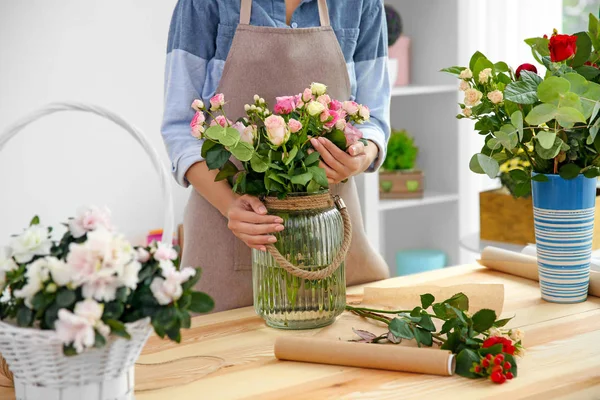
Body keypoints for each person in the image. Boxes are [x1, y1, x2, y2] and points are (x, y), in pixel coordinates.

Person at [161, 0, 391, 312]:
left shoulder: (361, 4)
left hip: (329, 235)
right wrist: (230, 206)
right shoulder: (202, 4)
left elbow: (373, 117)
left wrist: (360, 157)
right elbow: (179, 127)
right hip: (226, 234)